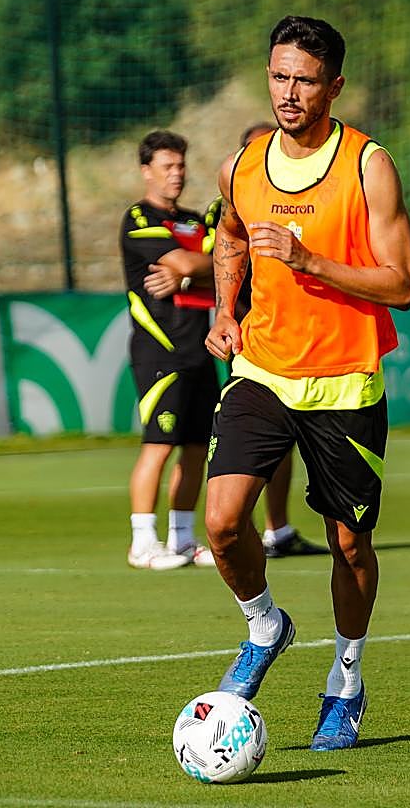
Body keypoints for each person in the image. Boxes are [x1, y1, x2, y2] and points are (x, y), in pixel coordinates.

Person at [202, 16, 410, 750]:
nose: (289, 93)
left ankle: (346, 680)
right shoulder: (245, 164)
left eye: (303, 79)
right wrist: (225, 311)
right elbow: (231, 234)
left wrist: (309, 260)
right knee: (223, 522)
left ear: (334, 85)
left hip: (345, 383)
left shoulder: (367, 166)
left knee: (349, 547)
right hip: (262, 368)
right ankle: (266, 626)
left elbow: (403, 284)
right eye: (278, 77)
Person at [146, 121, 329, 560]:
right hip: (250, 339)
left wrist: (189, 269)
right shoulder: (228, 203)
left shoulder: (314, 198)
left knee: (288, 443)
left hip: (309, 335)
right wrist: (198, 269)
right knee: (246, 438)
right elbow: (221, 250)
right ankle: (222, 533)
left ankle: (278, 530)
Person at [119, 129, 219, 570]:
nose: (176, 174)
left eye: (181, 165)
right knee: (159, 444)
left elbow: (230, 267)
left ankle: (181, 538)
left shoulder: (195, 222)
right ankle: (142, 542)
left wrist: (189, 277)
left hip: (199, 350)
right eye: (167, 167)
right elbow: (187, 261)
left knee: (197, 447)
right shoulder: (139, 219)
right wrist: (196, 269)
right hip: (158, 351)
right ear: (147, 171)